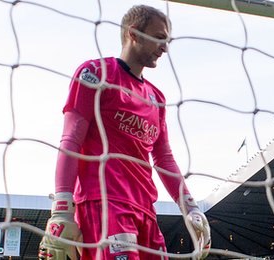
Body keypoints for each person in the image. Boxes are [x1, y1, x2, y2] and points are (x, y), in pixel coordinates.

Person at [38, 5, 211, 260]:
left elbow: (164, 159)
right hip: (104, 203)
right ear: (134, 34)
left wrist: (190, 207)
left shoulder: (157, 98)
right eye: (159, 38)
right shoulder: (96, 73)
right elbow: (71, 139)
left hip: (145, 211)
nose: (165, 48)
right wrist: (62, 206)